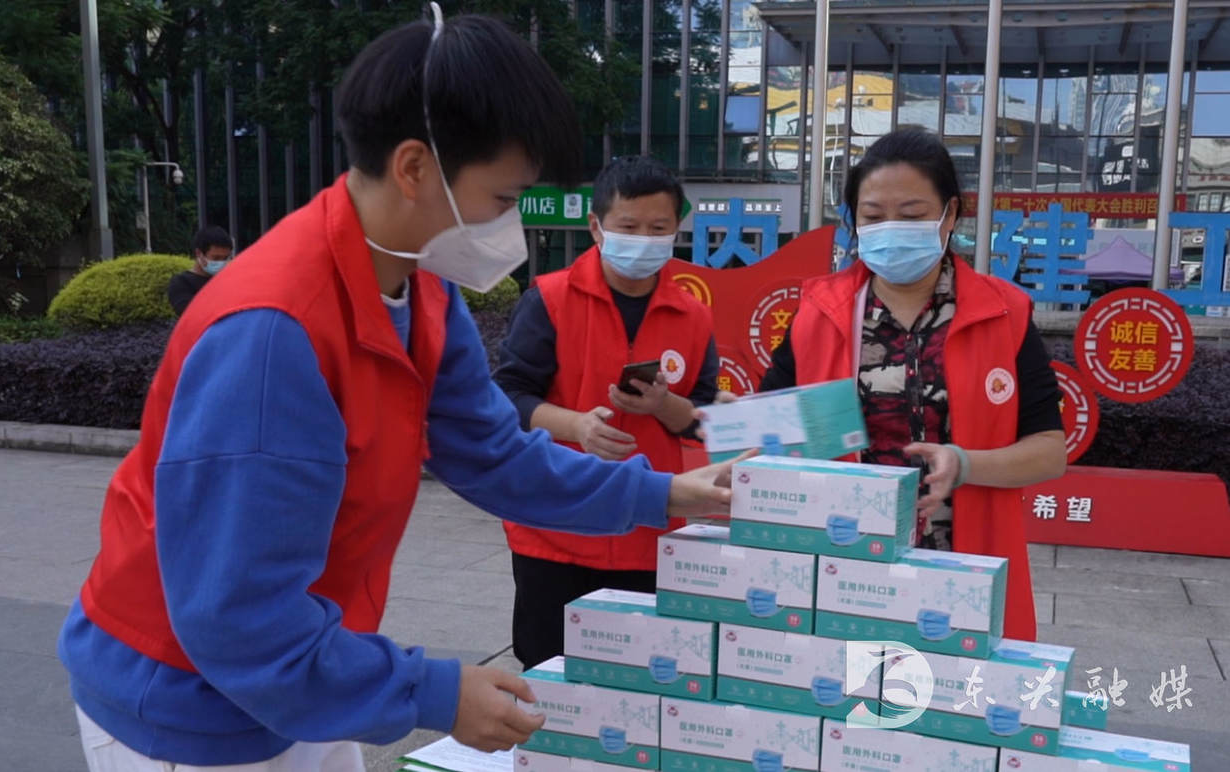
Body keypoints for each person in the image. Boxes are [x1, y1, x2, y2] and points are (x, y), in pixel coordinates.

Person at [56, 8, 739, 771]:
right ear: (414, 169)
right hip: (186, 704)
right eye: (503, 199)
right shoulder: (273, 335)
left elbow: (493, 452)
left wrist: (668, 494)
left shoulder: (419, 286)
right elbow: (233, 615)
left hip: (308, 668)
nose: (510, 227)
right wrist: (434, 693)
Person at [759, 128, 1066, 641]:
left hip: (962, 570)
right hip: (844, 565)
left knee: (952, 689)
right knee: (852, 688)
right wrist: (736, 423)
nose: (890, 229)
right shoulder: (820, 312)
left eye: (911, 214)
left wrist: (965, 464)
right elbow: (775, 429)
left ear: (950, 214)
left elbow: (1049, 451)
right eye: (873, 216)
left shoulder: (1003, 313)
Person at [494, 155, 720, 669]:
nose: (644, 239)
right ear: (596, 227)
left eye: (658, 228)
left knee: (644, 678)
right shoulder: (550, 299)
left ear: (676, 231)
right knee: (550, 672)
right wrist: (576, 426)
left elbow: (704, 416)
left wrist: (664, 405)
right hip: (555, 528)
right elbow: (508, 394)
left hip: (650, 530)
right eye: (629, 227)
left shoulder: (693, 314)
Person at [166, 225, 234, 315]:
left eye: (225, 258)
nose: (221, 263)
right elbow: (191, 314)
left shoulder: (228, 280)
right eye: (216, 258)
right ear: (199, 253)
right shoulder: (181, 282)